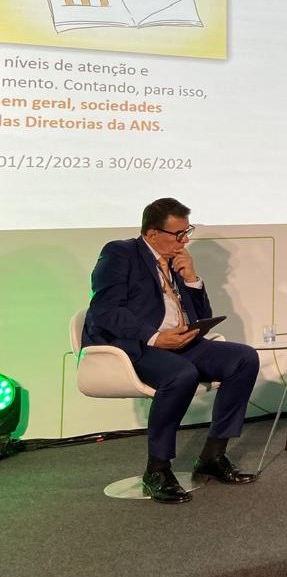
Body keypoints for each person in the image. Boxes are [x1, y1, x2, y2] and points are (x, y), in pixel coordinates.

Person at [82, 198, 260, 503]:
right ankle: (157, 469)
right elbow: (105, 311)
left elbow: (201, 313)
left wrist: (191, 278)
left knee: (243, 358)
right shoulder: (120, 253)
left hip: (180, 343)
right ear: (152, 233)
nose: (185, 240)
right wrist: (154, 337)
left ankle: (213, 456)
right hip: (135, 346)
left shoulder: (175, 259)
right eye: (179, 234)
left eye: (187, 232)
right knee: (181, 374)